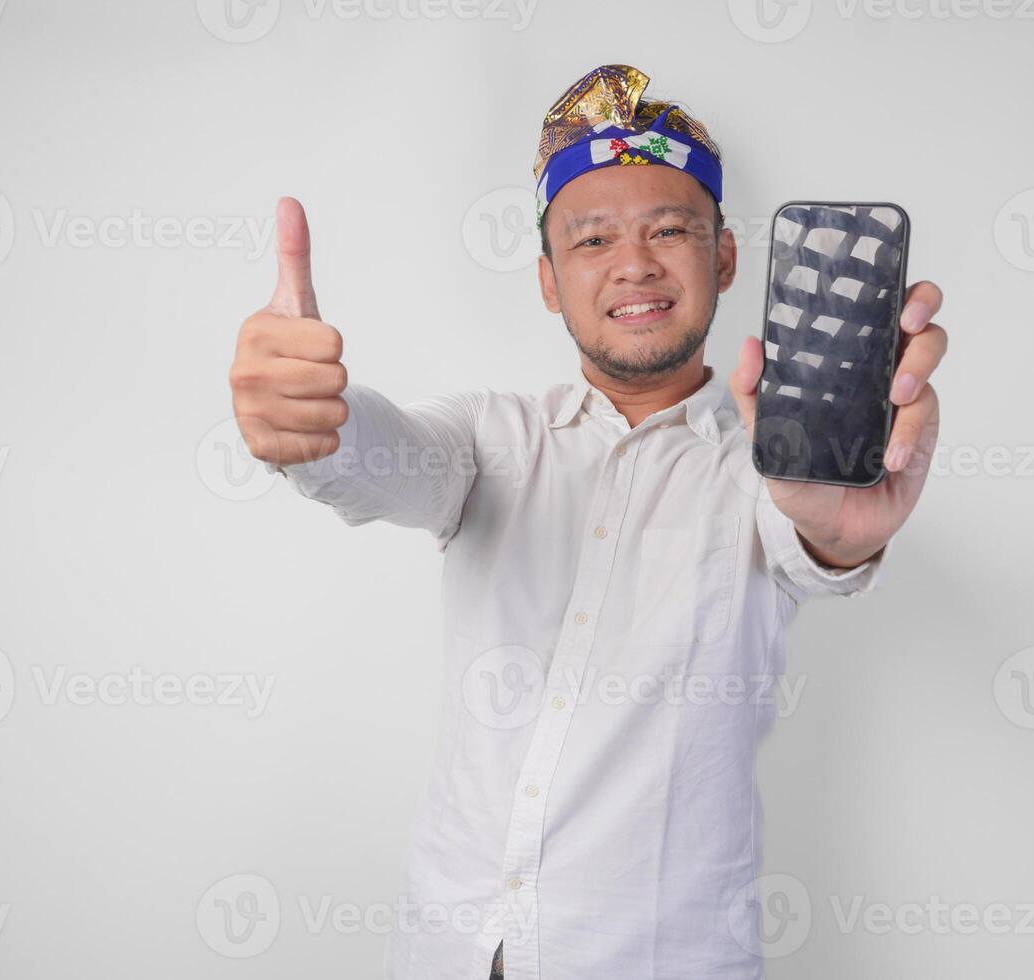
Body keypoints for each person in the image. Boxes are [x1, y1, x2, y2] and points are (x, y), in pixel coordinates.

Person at [228, 63, 947, 980]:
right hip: (445, 952)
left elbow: (817, 539)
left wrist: (841, 523)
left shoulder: (763, 476)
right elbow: (385, 459)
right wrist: (312, 428)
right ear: (548, 280)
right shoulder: (492, 439)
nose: (634, 264)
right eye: (593, 238)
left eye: (670, 231)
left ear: (724, 259)